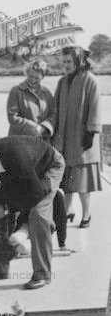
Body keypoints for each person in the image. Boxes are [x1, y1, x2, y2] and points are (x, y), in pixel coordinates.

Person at [0, 137, 65, 290]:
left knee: (38, 214)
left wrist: (22, 226)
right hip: (20, 173)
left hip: (48, 166)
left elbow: (34, 195)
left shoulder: (16, 157)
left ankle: (42, 274)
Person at [7, 59, 67, 250]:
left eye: (37, 77)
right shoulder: (16, 91)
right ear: (27, 74)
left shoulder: (47, 94)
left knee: (41, 185)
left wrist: (45, 127)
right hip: (21, 145)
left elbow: (53, 115)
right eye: (30, 76)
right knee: (24, 184)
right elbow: (12, 116)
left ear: (43, 76)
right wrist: (34, 127)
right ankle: (21, 226)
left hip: (42, 146)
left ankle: (41, 226)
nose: (33, 80)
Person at [52, 46, 102, 228]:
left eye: (69, 61)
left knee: (82, 182)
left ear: (78, 61)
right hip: (65, 138)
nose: (66, 65)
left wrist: (91, 131)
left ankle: (87, 214)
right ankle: (67, 211)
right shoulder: (62, 82)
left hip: (83, 139)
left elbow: (95, 107)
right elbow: (55, 108)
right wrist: (52, 129)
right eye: (63, 61)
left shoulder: (90, 80)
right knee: (67, 180)